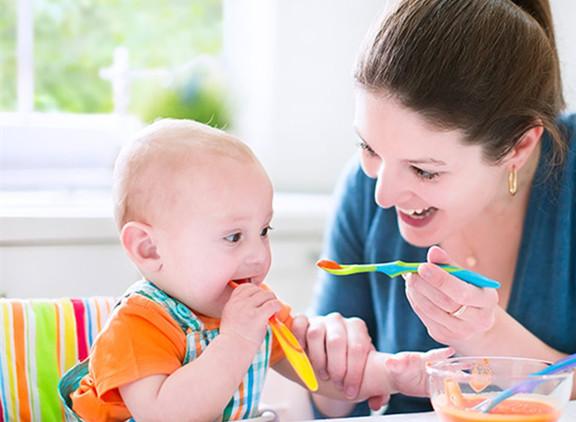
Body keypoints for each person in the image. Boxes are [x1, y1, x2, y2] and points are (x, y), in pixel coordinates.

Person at [300, 0, 576, 417]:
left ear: (519, 147)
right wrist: (332, 370)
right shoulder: (364, 183)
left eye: (424, 171)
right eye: (368, 147)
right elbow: (334, 409)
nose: (382, 196)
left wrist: (488, 337)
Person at [58, 119, 454, 421]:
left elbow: (322, 373)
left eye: (263, 231)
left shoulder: (251, 311)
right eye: (233, 237)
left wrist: (396, 373)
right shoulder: (137, 326)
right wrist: (236, 341)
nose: (258, 256)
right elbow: (167, 413)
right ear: (149, 248)